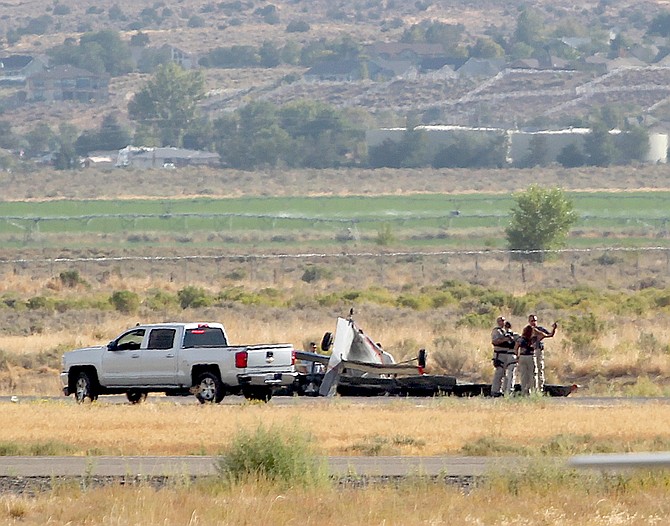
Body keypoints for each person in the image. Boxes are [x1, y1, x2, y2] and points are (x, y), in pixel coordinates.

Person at [528, 314, 557, 392]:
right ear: (529, 322)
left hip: (538, 350)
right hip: (530, 352)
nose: (534, 322)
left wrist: (554, 328)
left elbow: (550, 335)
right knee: (531, 370)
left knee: (539, 369)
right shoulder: (527, 330)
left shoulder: (540, 329)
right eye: (532, 321)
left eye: (535, 321)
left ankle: (540, 389)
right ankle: (532, 389)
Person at [490, 316, 517, 397]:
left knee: (507, 375)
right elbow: (495, 341)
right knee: (499, 373)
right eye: (500, 321)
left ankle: (504, 390)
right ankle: (495, 390)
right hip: (499, 354)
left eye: (503, 320)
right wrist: (504, 339)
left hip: (507, 354)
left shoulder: (507, 332)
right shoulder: (496, 331)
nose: (502, 322)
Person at [515, 323, 536, 396]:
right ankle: (532, 390)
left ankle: (523, 391)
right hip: (530, 356)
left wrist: (517, 356)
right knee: (532, 374)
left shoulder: (521, 339)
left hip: (522, 356)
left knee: (523, 375)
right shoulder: (533, 339)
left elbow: (516, 347)